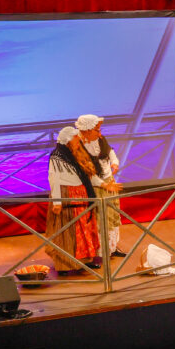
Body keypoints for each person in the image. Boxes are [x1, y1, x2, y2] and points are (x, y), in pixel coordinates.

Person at [46, 126, 119, 275]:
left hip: (81, 194)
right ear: (67, 141)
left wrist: (105, 184)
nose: (78, 141)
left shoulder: (76, 154)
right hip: (68, 196)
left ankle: (83, 261)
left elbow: (89, 176)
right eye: (75, 139)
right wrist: (58, 202)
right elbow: (54, 180)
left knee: (83, 230)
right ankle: (65, 265)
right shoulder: (57, 157)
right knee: (68, 232)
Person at [72, 114, 126, 258]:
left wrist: (115, 163)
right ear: (88, 130)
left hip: (109, 182)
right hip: (95, 187)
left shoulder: (100, 139)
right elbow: (88, 174)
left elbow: (110, 151)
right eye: (97, 130)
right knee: (100, 219)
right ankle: (101, 251)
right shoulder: (79, 146)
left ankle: (113, 247)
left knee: (113, 215)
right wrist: (104, 185)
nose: (100, 133)